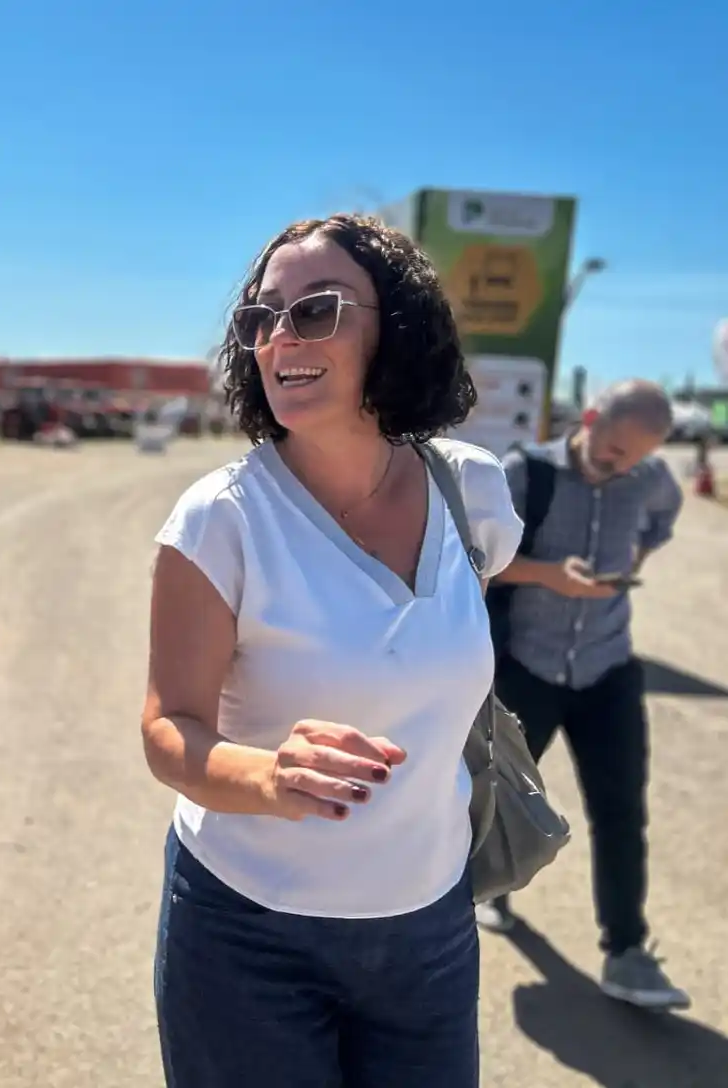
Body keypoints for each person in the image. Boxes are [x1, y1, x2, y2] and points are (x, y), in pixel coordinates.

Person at [141, 214, 522, 1087]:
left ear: (397, 326)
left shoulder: (474, 491)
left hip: (428, 925)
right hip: (248, 931)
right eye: (260, 319)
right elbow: (169, 729)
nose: (279, 338)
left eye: (315, 311)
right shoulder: (220, 517)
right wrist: (269, 778)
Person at [475, 379, 690, 1010]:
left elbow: (661, 522)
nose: (619, 465)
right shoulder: (526, 472)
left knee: (622, 811)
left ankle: (626, 952)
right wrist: (551, 576)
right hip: (529, 665)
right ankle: (492, 891)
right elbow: (484, 560)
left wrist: (633, 562)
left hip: (608, 668)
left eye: (634, 457)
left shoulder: (652, 480)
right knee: (507, 792)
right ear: (590, 416)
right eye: (613, 449)